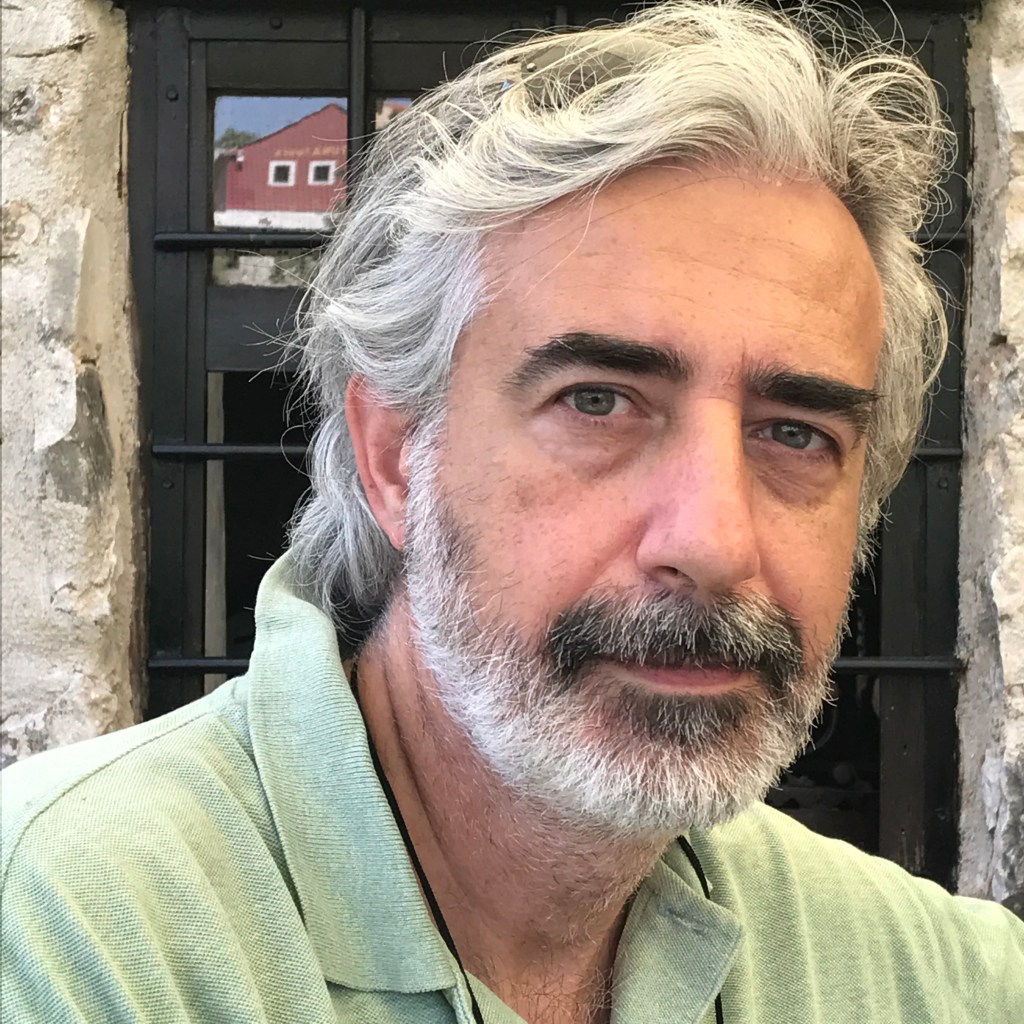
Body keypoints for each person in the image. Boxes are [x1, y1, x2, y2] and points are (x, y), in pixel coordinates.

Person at [2, 2, 1022, 1021]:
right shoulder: (66, 936)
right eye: (597, 403)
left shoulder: (938, 978)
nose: (714, 540)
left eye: (795, 432)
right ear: (394, 458)